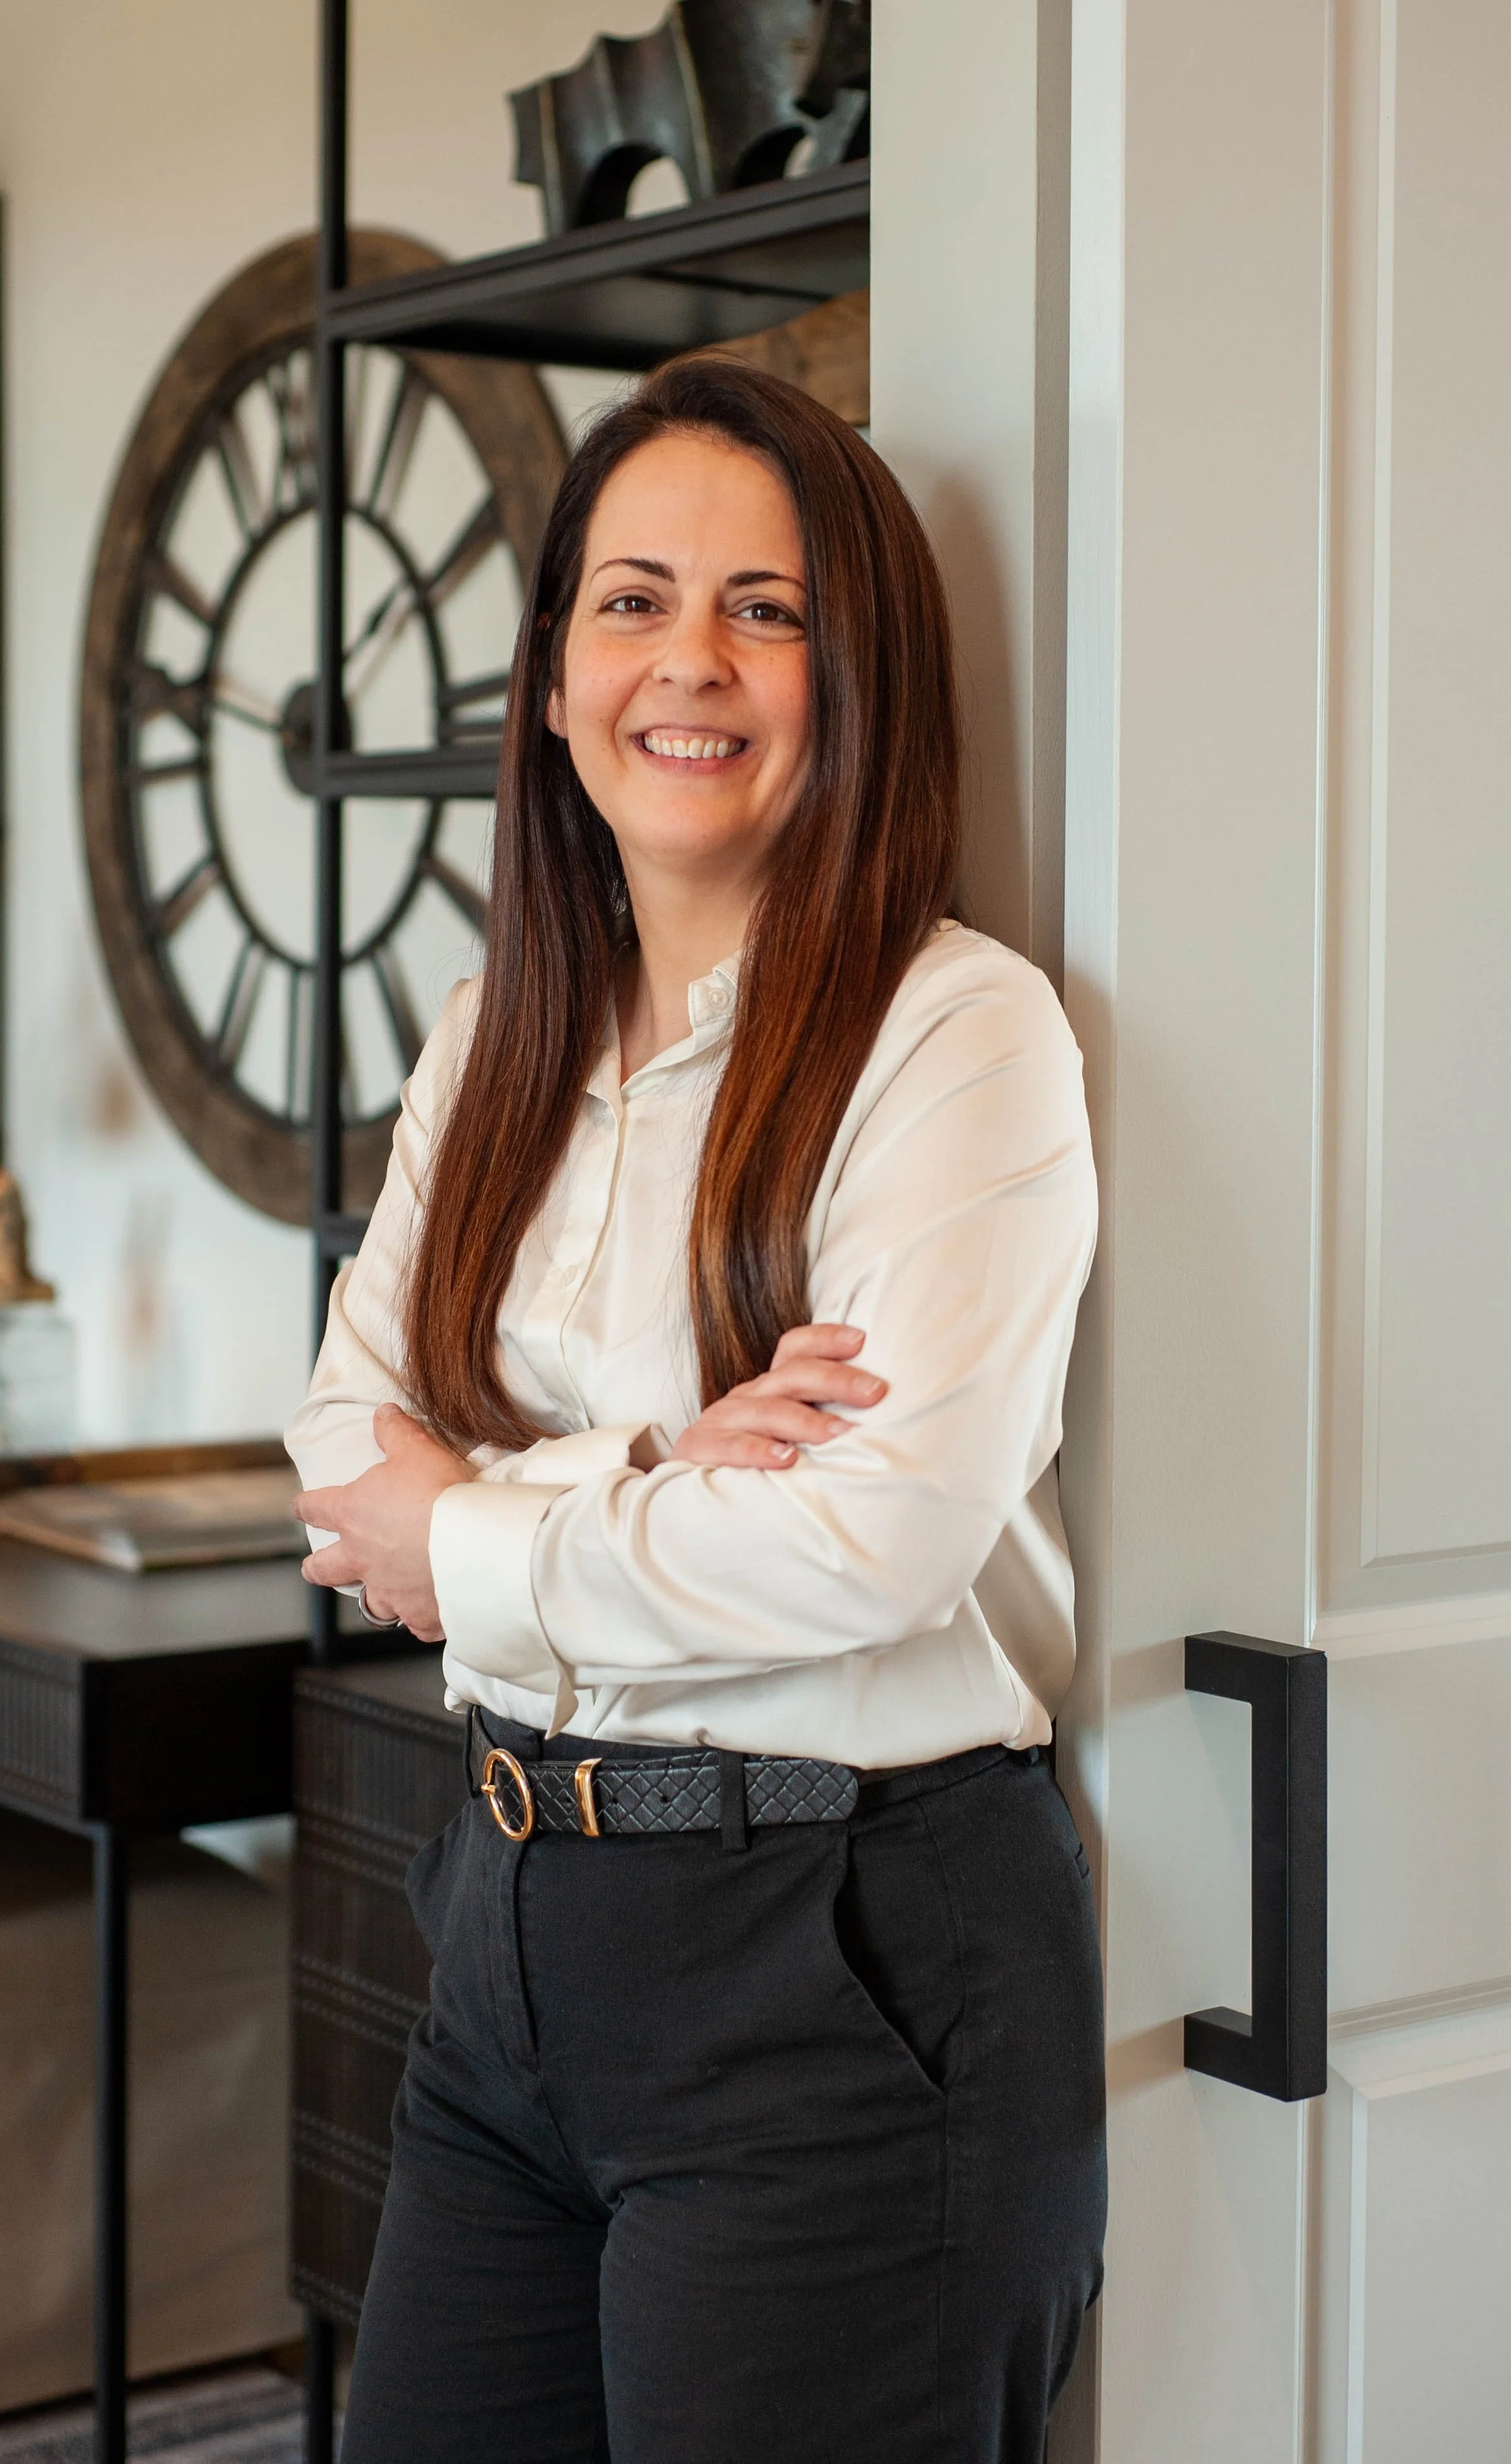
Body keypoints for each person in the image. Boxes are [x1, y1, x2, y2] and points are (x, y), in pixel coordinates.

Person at [286, 355, 1105, 2464]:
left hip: (838, 1958)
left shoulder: (954, 1036)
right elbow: (334, 1447)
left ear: (857, 679)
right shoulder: (490, 1032)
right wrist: (656, 1462)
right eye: (632, 599)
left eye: (768, 607)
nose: (692, 660)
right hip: (504, 1927)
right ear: (553, 681)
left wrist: (473, 1527)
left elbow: (863, 1541)